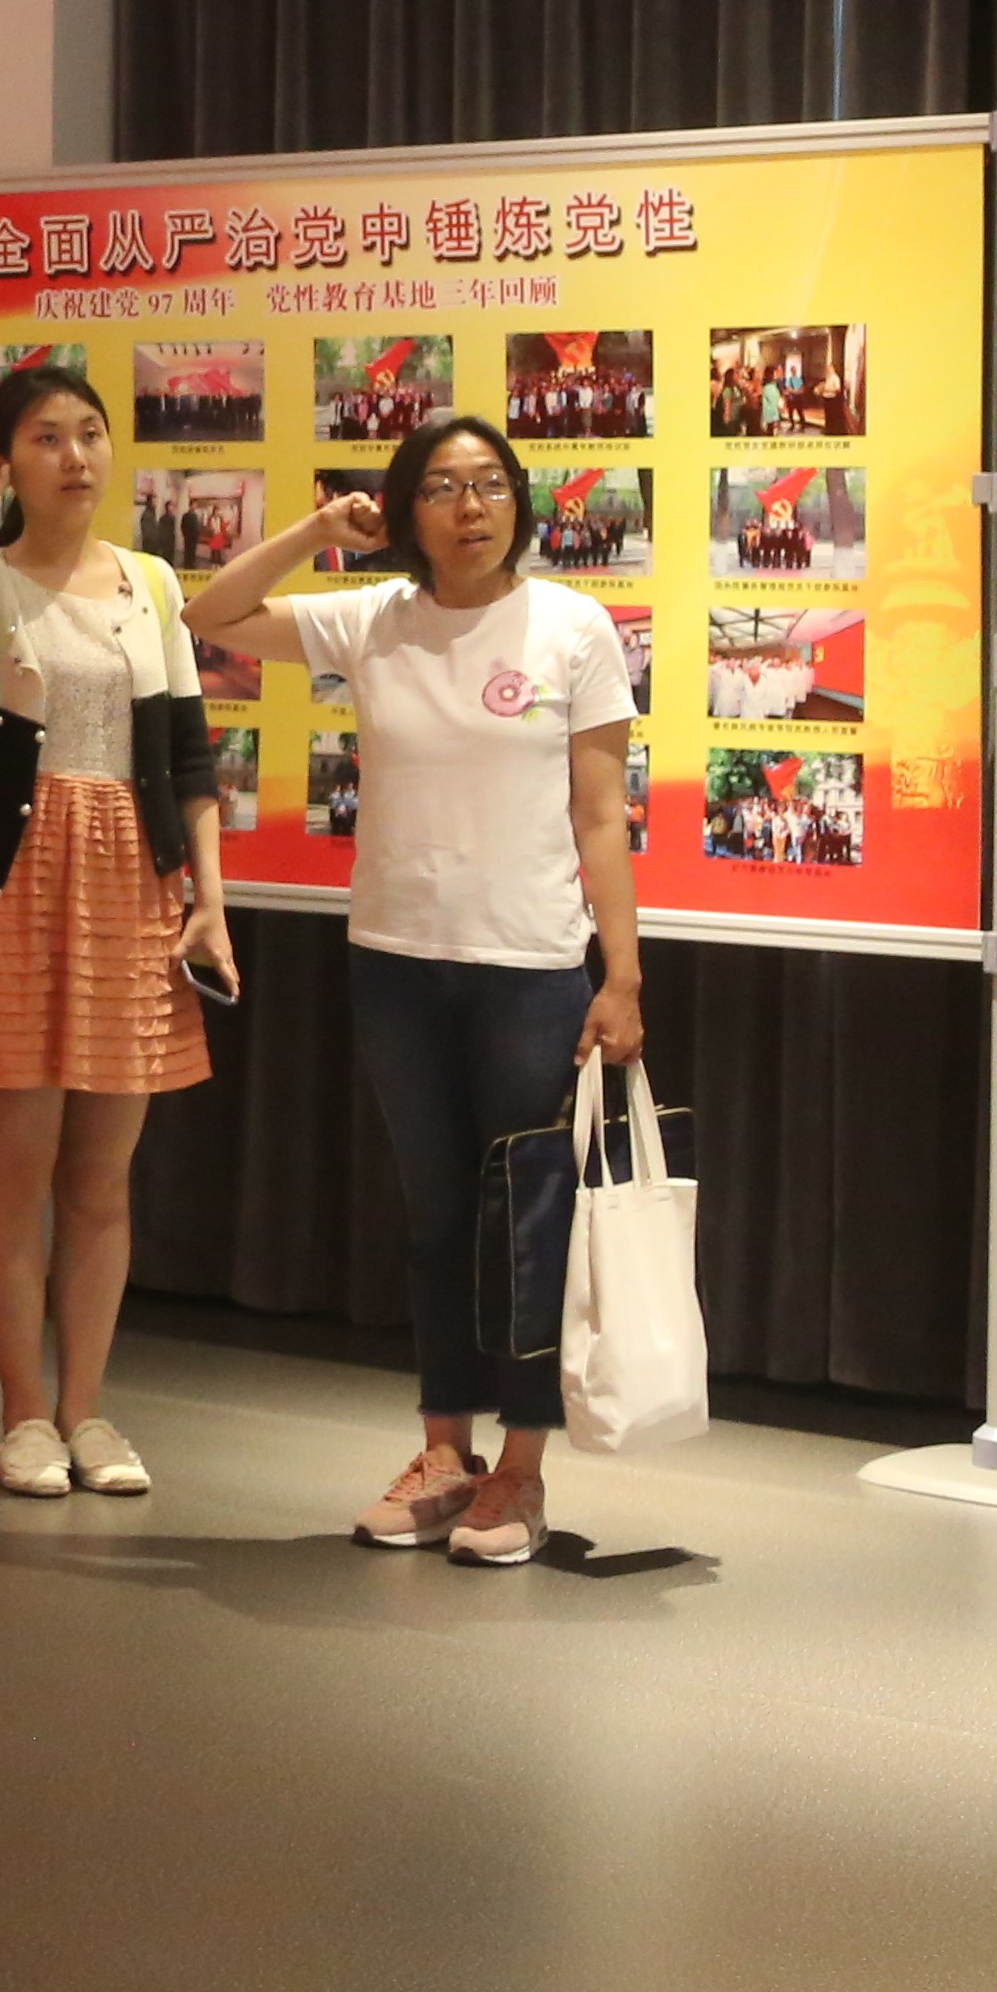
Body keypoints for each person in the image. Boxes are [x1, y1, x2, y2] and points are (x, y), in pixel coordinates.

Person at [189, 410, 644, 1569]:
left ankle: (520, 1471)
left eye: (488, 483)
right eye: (439, 487)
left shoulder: (571, 626)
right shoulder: (372, 619)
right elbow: (208, 616)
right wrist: (313, 531)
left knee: (527, 1225)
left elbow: (600, 816)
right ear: (404, 512)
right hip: (393, 961)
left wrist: (621, 976)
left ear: (517, 502)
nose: (468, 506)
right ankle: (444, 1456)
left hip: (530, 970)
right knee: (435, 1219)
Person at [0, 364, 232, 1501]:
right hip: (11, 878)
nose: (74, 456)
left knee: (102, 1179)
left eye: (89, 433)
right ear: (8, 458)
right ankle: (23, 1413)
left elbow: (188, 757)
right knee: (17, 1171)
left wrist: (208, 900)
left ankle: (89, 1411)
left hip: (131, 879)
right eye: (46, 437)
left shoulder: (152, 582)